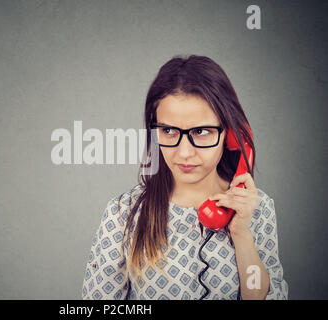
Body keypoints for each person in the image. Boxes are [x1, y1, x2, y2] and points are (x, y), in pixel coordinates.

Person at [81, 55, 288, 300]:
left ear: (231, 135)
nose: (184, 153)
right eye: (168, 131)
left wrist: (242, 234)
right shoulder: (123, 213)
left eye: (201, 131)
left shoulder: (257, 208)